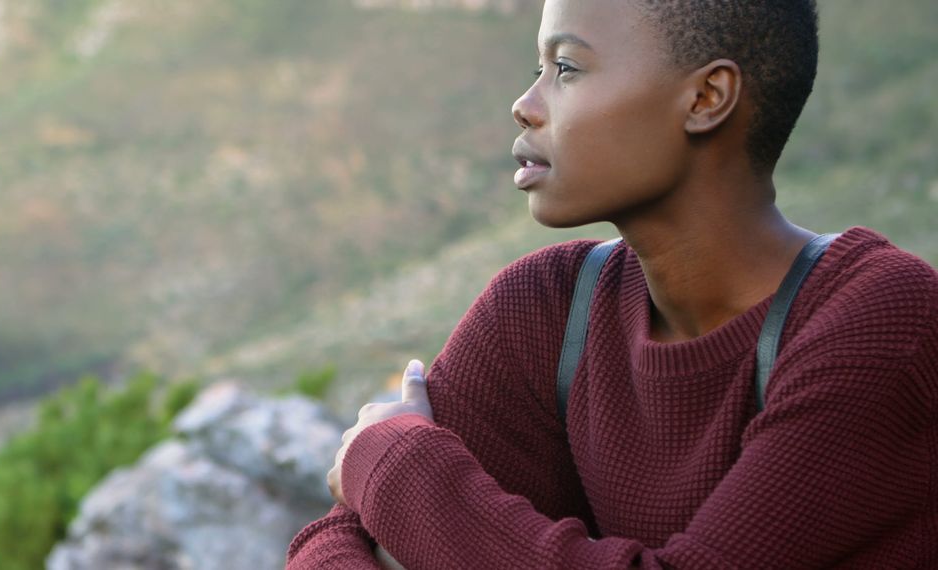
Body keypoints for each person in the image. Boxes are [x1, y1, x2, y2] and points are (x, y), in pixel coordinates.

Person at [287, 0, 938, 568]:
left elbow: (400, 504)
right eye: (537, 70)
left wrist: (394, 462)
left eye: (566, 69)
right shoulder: (546, 308)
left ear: (706, 98)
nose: (525, 105)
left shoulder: (883, 320)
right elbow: (331, 544)